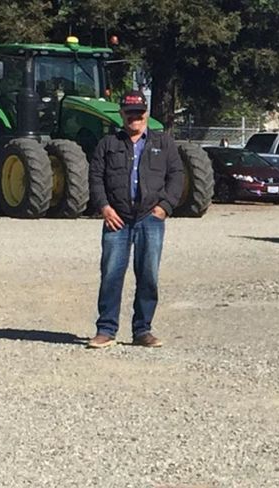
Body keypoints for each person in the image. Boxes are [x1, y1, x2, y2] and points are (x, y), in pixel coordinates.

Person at [88, 90, 186, 349]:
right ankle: (106, 330)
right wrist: (104, 207)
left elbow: (177, 175)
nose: (135, 118)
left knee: (148, 275)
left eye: (139, 113)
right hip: (116, 219)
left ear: (147, 114)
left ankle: (143, 330)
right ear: (122, 114)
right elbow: (95, 177)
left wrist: (165, 206)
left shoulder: (163, 143)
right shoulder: (108, 144)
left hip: (150, 219)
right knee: (111, 274)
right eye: (130, 113)